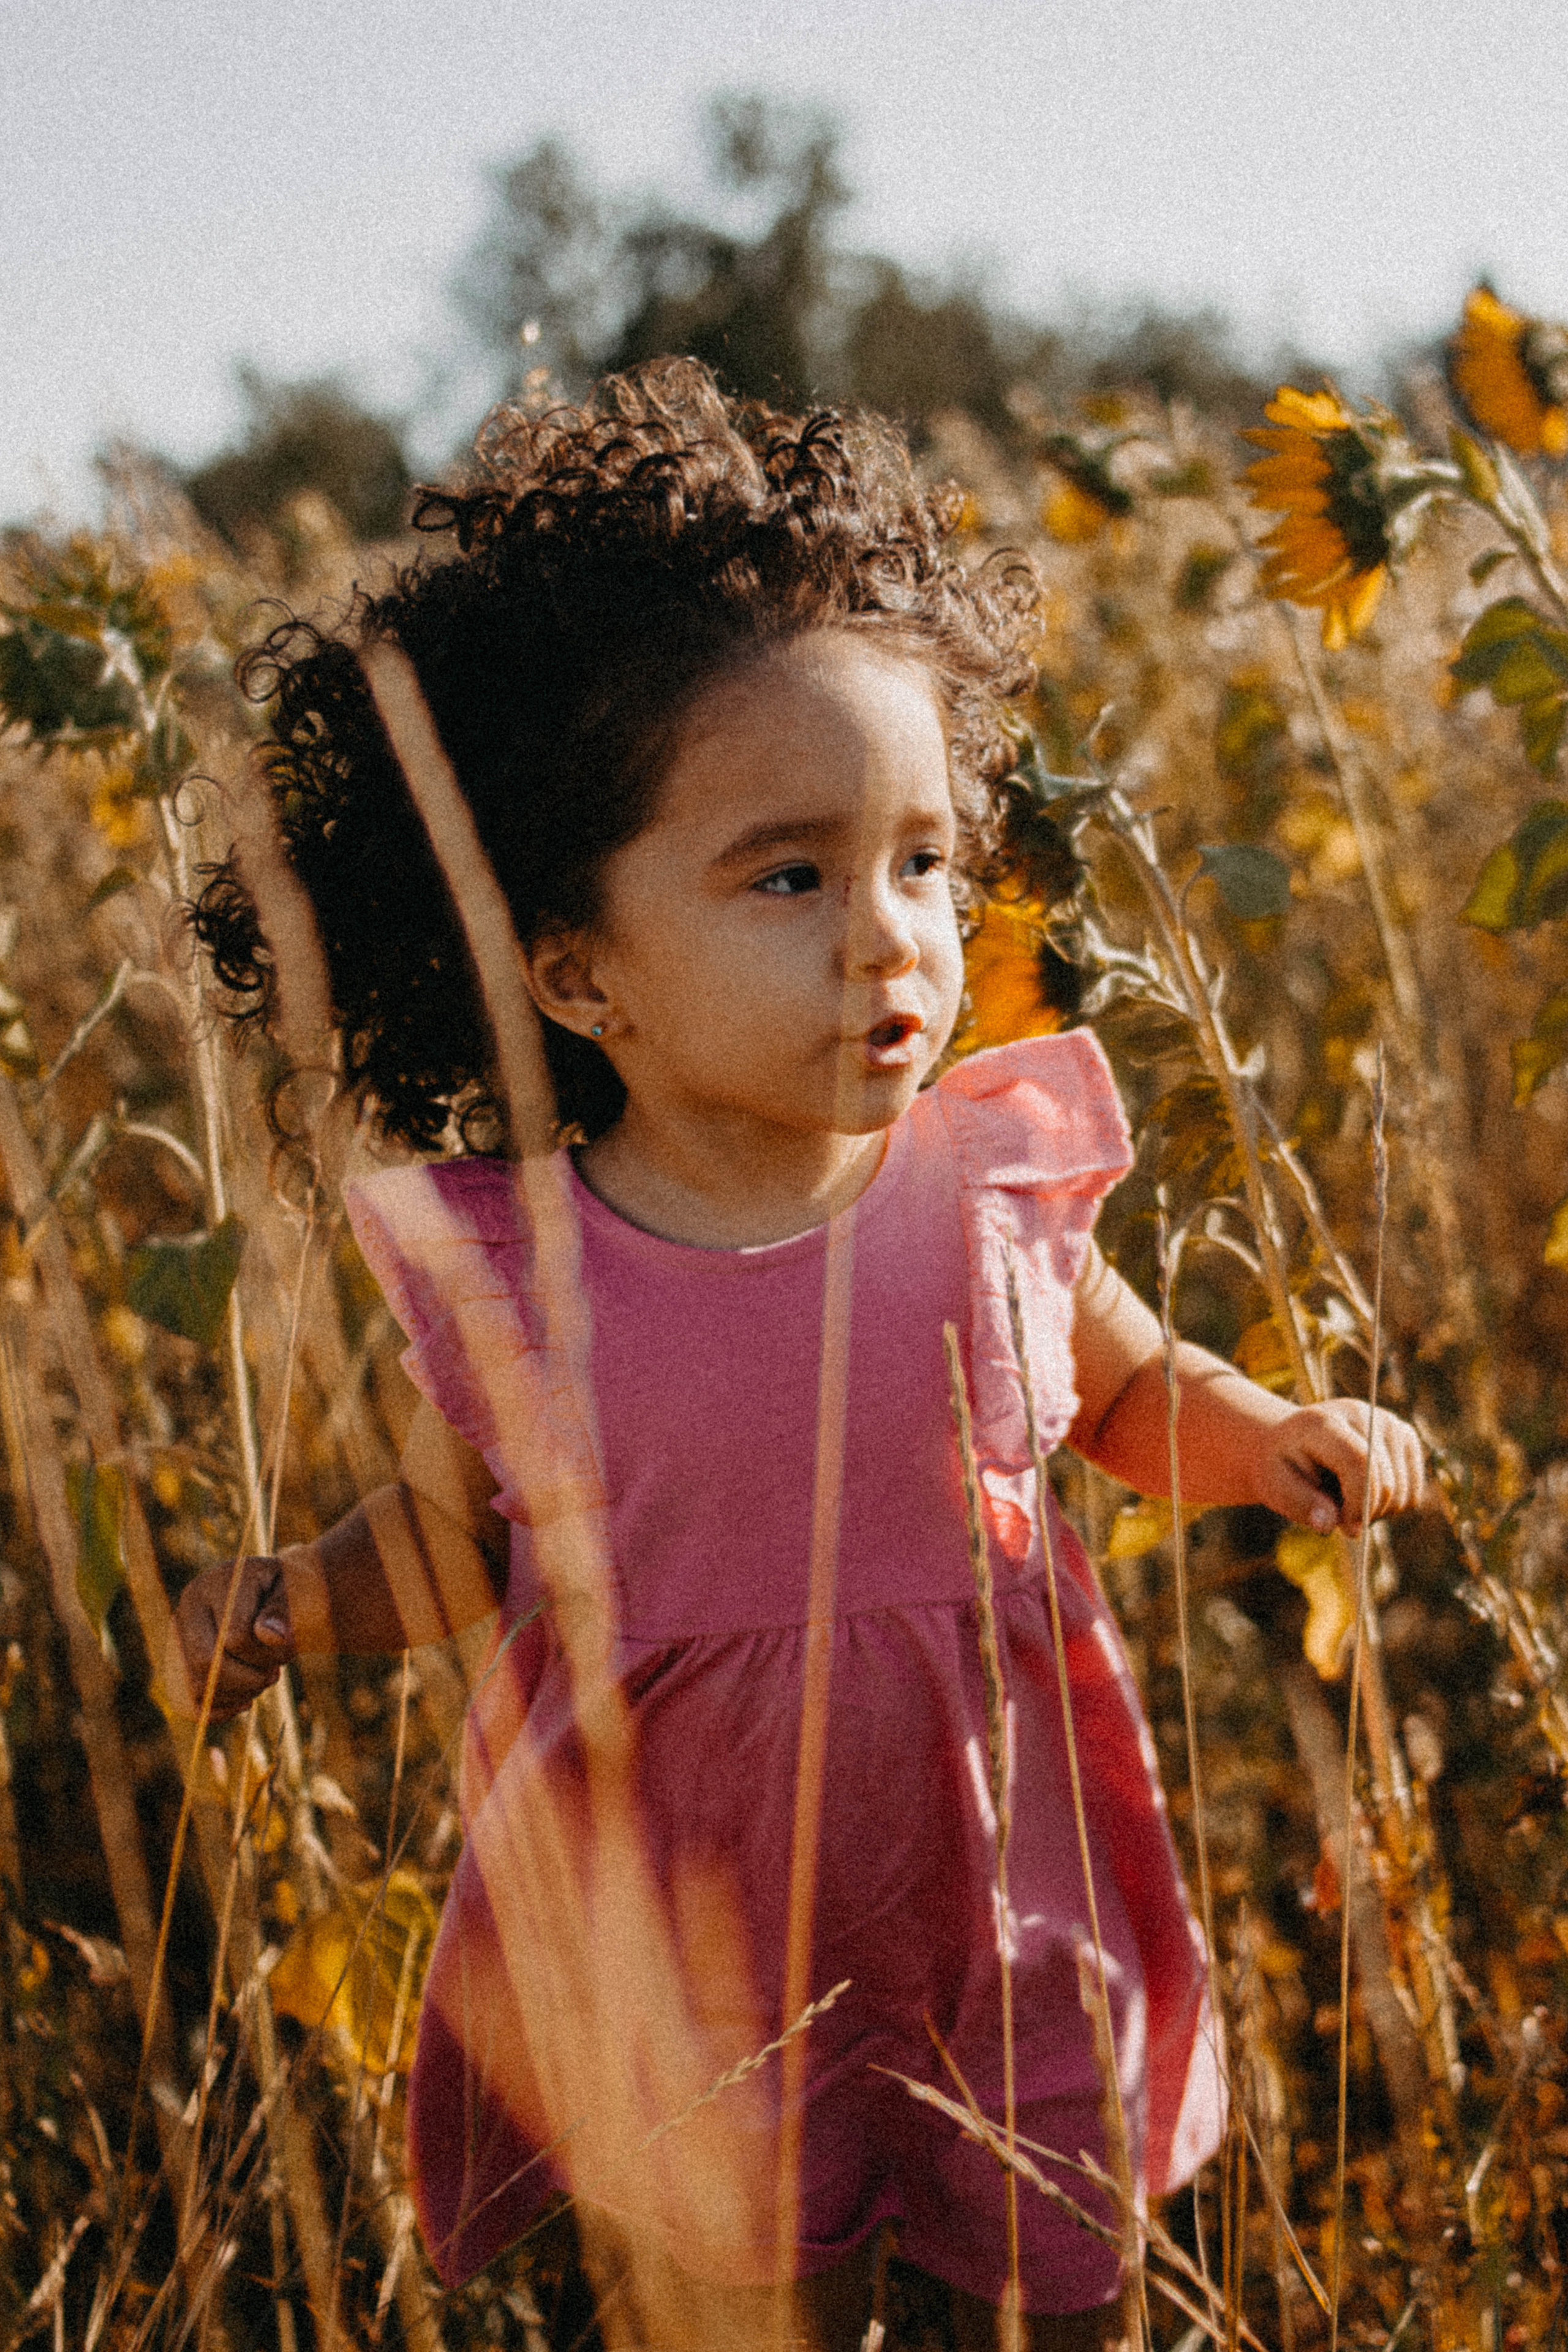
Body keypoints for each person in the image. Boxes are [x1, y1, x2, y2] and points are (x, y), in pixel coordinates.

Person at [175, 360, 1425, 2352]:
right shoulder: (529, 1276)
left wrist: (1272, 1432)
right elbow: (449, 1541)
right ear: (576, 969)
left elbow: (1122, 1391)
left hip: (1005, 1884)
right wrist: (292, 1605)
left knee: (1058, 2276)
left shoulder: (990, 1185)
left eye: (924, 859)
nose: (891, 936)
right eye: (791, 875)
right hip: (695, 1934)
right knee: (756, 2298)